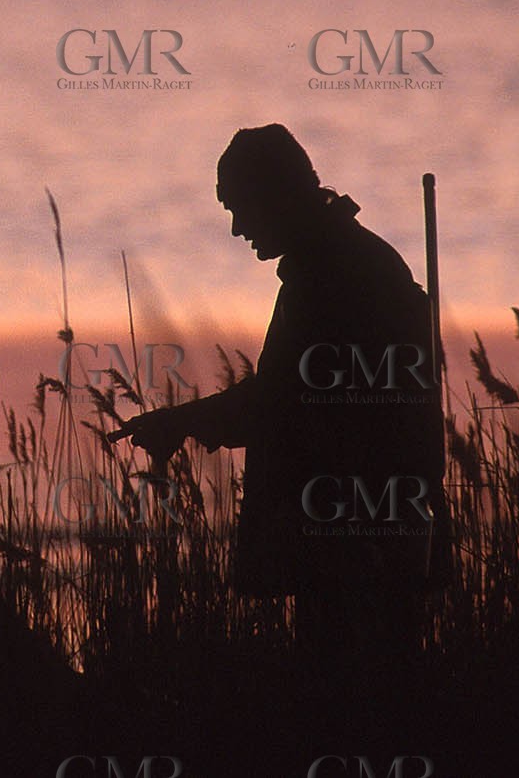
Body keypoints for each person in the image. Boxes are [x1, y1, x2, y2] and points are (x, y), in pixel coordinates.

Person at [121, 124, 446, 675]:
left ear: (275, 195)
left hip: (356, 533)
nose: (235, 228)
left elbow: (282, 403)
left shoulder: (332, 274)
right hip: (365, 521)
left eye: (240, 207)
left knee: (351, 686)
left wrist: (182, 421)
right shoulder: (340, 261)